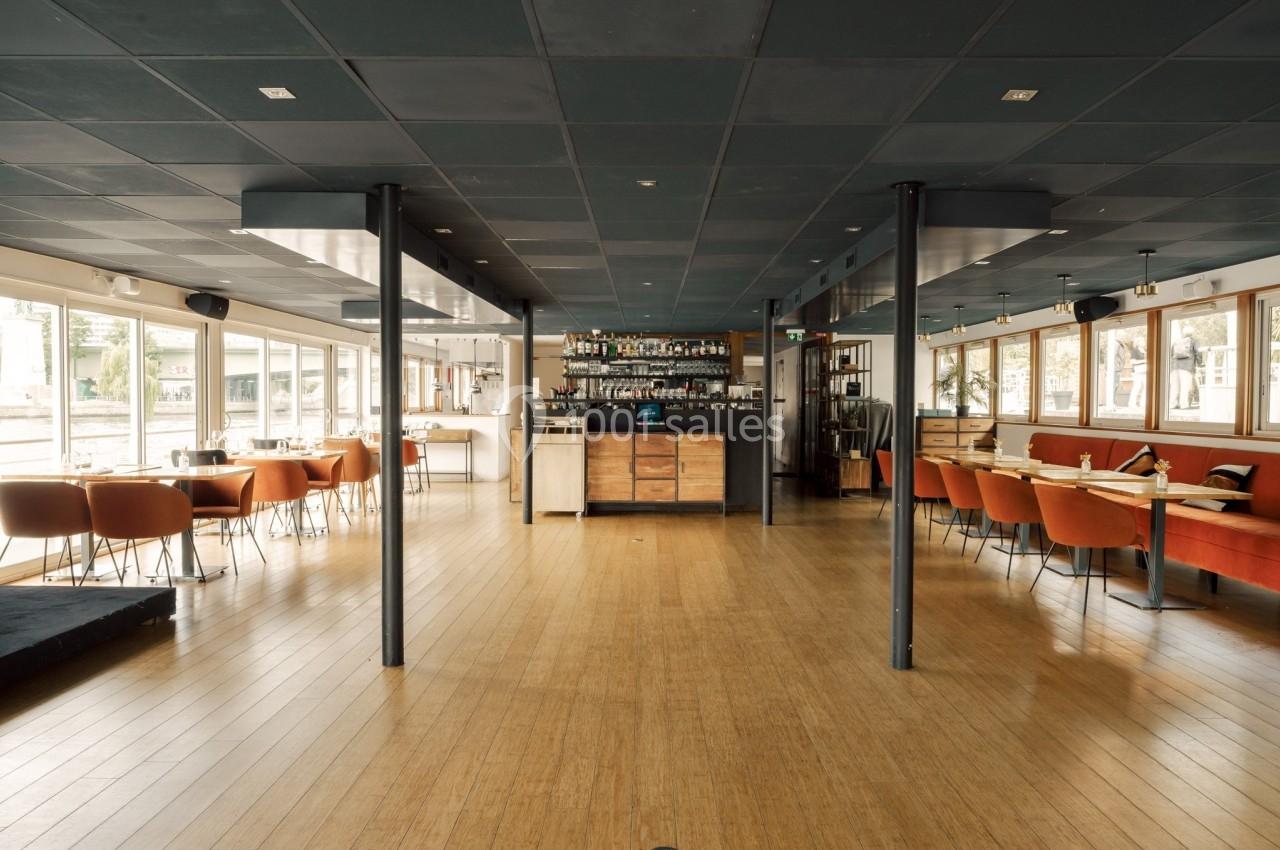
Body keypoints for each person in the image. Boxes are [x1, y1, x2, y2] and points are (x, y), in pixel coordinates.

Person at [1170, 332, 1199, 410]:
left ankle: (1173, 404)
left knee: (1175, 386)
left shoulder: (1176, 342)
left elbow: (1171, 354)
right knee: (1185, 386)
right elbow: (1198, 353)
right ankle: (1184, 404)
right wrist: (1200, 363)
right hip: (1187, 366)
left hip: (1174, 366)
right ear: (1192, 334)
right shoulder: (1193, 341)